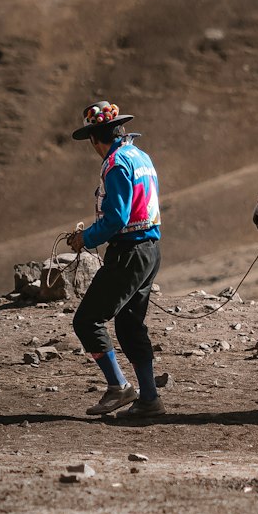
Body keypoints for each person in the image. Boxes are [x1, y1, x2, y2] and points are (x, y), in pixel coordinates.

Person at [67, 101, 165, 420]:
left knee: (87, 320)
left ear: (96, 138)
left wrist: (86, 238)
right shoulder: (141, 156)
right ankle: (149, 398)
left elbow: (117, 218)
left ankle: (118, 386)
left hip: (129, 251)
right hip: (150, 249)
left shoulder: (115, 163)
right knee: (128, 324)